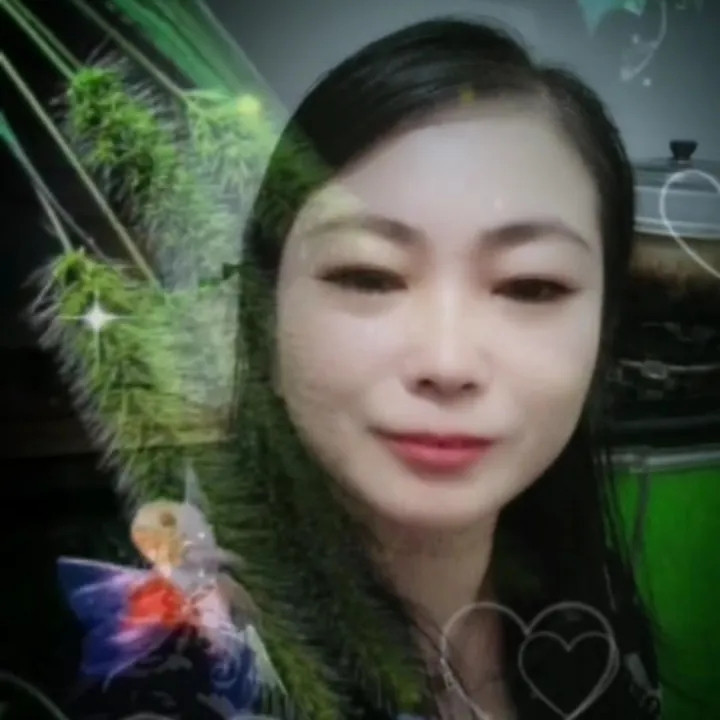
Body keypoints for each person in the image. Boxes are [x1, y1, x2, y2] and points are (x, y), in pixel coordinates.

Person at [69, 16, 662, 720]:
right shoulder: (185, 672)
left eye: (531, 286)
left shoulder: (588, 611)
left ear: (603, 332)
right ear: (264, 319)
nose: (447, 363)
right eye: (367, 276)